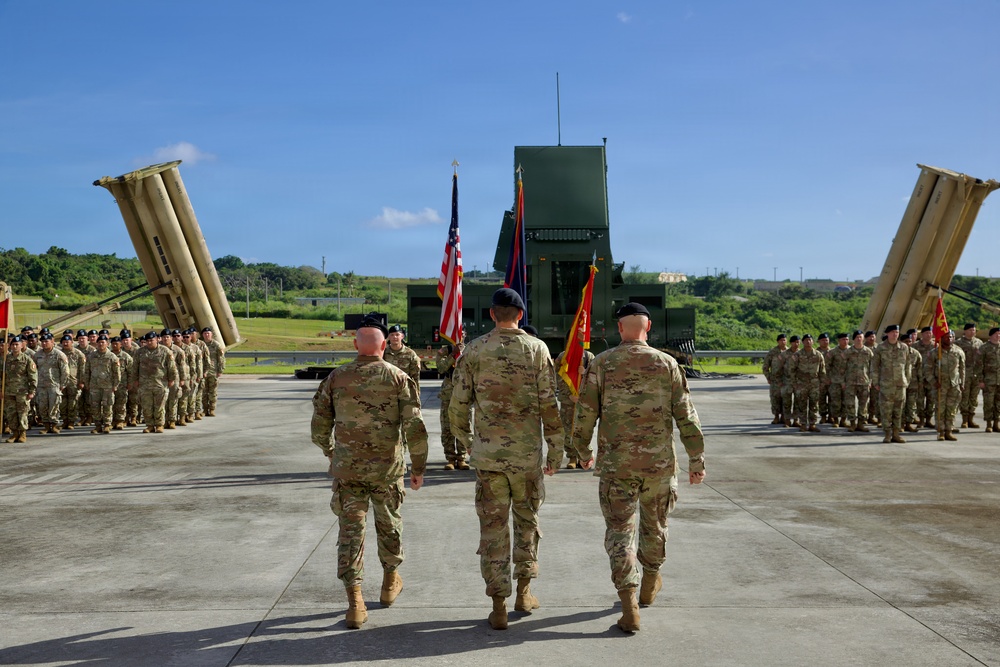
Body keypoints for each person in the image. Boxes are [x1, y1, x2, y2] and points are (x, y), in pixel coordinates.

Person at [570, 302, 705, 634]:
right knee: (655, 526)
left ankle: (629, 604)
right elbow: (686, 415)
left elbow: (584, 414)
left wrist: (582, 450)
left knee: (620, 533)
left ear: (619, 329)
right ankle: (650, 580)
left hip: (617, 467)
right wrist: (696, 459)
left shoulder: (602, 363)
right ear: (649, 326)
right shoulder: (667, 363)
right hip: (658, 466)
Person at [449, 287, 564, 631]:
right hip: (526, 457)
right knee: (526, 523)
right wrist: (556, 450)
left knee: (493, 528)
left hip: (489, 458)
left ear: (491, 314)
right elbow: (549, 405)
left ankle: (498, 604)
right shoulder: (537, 349)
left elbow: (458, 404)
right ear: (520, 315)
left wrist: (467, 441)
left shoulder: (475, 350)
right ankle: (524, 592)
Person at [310, 316, 428, 630]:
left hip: (348, 471)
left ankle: (355, 603)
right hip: (387, 471)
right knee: (389, 524)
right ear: (383, 345)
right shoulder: (399, 377)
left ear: (355, 346)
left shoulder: (336, 378)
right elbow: (415, 428)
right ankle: (390, 582)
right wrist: (418, 468)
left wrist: (332, 452)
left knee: (351, 534)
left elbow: (319, 426)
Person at [554, 346, 595, 468]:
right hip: (568, 402)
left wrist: (585, 372)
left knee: (584, 429)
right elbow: (558, 376)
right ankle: (572, 457)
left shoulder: (589, 357)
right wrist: (569, 395)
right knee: (568, 429)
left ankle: (584, 457)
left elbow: (595, 377)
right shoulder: (563, 357)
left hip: (584, 401)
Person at [130, 331, 177, 433]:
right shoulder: (140, 352)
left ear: (157, 339)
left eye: (152, 340)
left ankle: (159, 425)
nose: (150, 342)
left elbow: (172, 367)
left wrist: (171, 379)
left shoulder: (165, 351)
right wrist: (135, 380)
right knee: (147, 406)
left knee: (159, 406)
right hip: (144, 384)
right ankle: (150, 425)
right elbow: (134, 367)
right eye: (148, 341)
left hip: (160, 383)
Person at [871, 324, 911, 443]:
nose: (895, 334)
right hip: (886, 384)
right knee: (886, 410)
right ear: (887, 334)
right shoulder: (880, 348)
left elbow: (908, 366)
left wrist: (907, 380)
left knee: (898, 410)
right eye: (893, 332)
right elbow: (874, 366)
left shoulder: (904, 347)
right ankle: (887, 434)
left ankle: (896, 433)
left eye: (897, 332)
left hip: (900, 384)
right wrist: (876, 381)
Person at [435, 342, 468, 470]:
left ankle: (461, 458)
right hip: (448, 392)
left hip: (464, 391)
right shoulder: (444, 351)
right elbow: (441, 368)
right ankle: (450, 458)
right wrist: (453, 354)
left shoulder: (469, 349)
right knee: (447, 427)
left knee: (463, 425)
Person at [927, 330, 965, 441]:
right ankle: (941, 431)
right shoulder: (935, 352)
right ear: (941, 338)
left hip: (954, 385)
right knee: (940, 409)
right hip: (940, 386)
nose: (949, 339)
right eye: (947, 337)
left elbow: (962, 369)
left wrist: (962, 383)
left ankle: (949, 430)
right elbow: (927, 369)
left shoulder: (958, 351)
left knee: (952, 409)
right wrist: (933, 381)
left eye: (952, 337)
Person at [84, 333, 121, 435]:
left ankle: (107, 425)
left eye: (103, 342)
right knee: (95, 406)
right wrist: (87, 383)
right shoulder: (91, 356)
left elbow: (116, 373)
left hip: (107, 386)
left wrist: (115, 385)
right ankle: (98, 425)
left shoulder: (112, 357)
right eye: (99, 342)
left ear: (107, 343)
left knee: (107, 406)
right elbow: (87, 371)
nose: (101, 344)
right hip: (94, 386)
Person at [2, 335, 37, 443]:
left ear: (21, 346)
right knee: (11, 413)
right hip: (9, 391)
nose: (15, 346)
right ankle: (14, 433)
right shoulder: (6, 359)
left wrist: (32, 391)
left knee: (22, 413)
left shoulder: (27, 359)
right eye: (13, 344)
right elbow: (2, 376)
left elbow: (33, 376)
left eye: (17, 344)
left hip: (22, 392)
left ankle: (22, 433)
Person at [34, 332, 69, 434]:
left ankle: (53, 425)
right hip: (41, 385)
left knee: (54, 406)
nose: (44, 344)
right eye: (43, 342)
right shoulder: (37, 355)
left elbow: (65, 371)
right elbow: (33, 370)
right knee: (42, 406)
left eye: (46, 341)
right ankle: (46, 426)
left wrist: (62, 385)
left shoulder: (59, 355)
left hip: (54, 385)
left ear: (52, 342)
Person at [790, 333, 826, 432]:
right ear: (803, 342)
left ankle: (812, 424)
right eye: (806, 340)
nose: (808, 342)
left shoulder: (818, 355)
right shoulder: (797, 355)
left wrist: (822, 383)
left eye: (810, 340)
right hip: (801, 383)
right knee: (802, 404)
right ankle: (803, 424)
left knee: (814, 405)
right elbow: (792, 370)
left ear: (813, 342)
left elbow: (822, 371)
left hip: (814, 383)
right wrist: (794, 383)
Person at [844, 330, 874, 432]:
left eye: (861, 337)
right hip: (850, 382)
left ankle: (861, 424)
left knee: (863, 404)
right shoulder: (848, 352)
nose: (859, 339)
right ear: (853, 339)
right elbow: (842, 368)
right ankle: (852, 424)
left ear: (863, 338)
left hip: (864, 382)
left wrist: (870, 381)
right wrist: (843, 381)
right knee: (850, 403)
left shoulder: (868, 352)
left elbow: (872, 368)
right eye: (857, 337)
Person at [956, 323, 983, 428]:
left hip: (976, 373)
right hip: (965, 374)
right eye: (970, 330)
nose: (973, 332)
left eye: (974, 330)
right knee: (964, 396)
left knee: (974, 397)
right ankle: (964, 420)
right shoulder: (959, 343)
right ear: (965, 331)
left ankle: (971, 418)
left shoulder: (979, 342)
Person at [382, 324, 422, 392]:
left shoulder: (410, 354)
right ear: (388, 337)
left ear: (402, 336)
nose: (395, 337)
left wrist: (416, 393)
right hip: (387, 390)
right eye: (392, 335)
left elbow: (415, 376)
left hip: (404, 390)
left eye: (397, 334)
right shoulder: (383, 353)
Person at [60, 333, 86, 430]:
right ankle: (64, 421)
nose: (66, 344)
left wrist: (81, 381)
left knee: (73, 403)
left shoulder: (78, 354)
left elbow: (82, 369)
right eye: (64, 342)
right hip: (62, 382)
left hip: (73, 382)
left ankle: (71, 421)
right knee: (62, 403)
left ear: (72, 342)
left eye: (68, 342)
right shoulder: (59, 354)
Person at [913, 326, 937, 428]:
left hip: (932, 378)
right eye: (926, 333)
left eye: (930, 333)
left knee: (931, 400)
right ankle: (921, 420)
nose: (929, 334)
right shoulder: (915, 346)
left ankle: (928, 420)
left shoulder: (936, 347)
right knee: (920, 400)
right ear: (922, 334)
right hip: (920, 377)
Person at [977, 327, 1000, 433]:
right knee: (988, 403)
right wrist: (980, 380)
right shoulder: (984, 348)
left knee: (998, 403)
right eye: (996, 334)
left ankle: (997, 423)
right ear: (990, 335)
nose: (998, 335)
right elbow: (978, 365)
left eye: (999, 334)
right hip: (988, 380)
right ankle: (989, 424)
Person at [762, 334, 787, 424]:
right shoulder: (772, 352)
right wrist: (768, 377)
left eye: (784, 340)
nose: (783, 342)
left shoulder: (789, 352)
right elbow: (765, 367)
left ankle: (784, 416)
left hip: (786, 380)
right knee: (775, 399)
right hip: (775, 380)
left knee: (786, 399)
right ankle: (776, 416)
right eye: (781, 340)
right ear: (778, 341)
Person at [826, 333, 850, 427]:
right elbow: (827, 366)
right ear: (839, 341)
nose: (845, 341)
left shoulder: (851, 351)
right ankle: (835, 420)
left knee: (846, 401)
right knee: (835, 401)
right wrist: (828, 378)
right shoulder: (833, 352)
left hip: (848, 380)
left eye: (847, 339)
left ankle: (843, 420)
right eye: (843, 339)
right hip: (835, 380)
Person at [110, 336, 134, 430]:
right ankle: (111, 421)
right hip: (109, 383)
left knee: (121, 403)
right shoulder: (109, 355)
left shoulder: (125, 356)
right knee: (110, 403)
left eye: (117, 343)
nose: (115, 345)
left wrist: (129, 383)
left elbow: (130, 372)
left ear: (120, 344)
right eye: (113, 344)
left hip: (122, 384)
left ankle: (120, 421)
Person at [201, 327, 226, 416]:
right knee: (203, 392)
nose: (207, 335)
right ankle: (205, 409)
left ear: (211, 334)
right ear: (202, 335)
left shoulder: (216, 345)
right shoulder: (201, 345)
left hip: (213, 371)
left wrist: (220, 370)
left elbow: (221, 358)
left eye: (208, 333)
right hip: (202, 372)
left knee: (212, 392)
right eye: (205, 333)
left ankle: (212, 409)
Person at [781, 336, 800, 427]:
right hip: (787, 381)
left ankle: (796, 420)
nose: (796, 344)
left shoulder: (802, 353)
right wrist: (778, 380)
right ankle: (787, 420)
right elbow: (778, 368)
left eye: (798, 342)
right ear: (791, 343)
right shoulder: (784, 354)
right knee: (787, 402)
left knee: (798, 402)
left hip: (799, 382)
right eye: (795, 342)